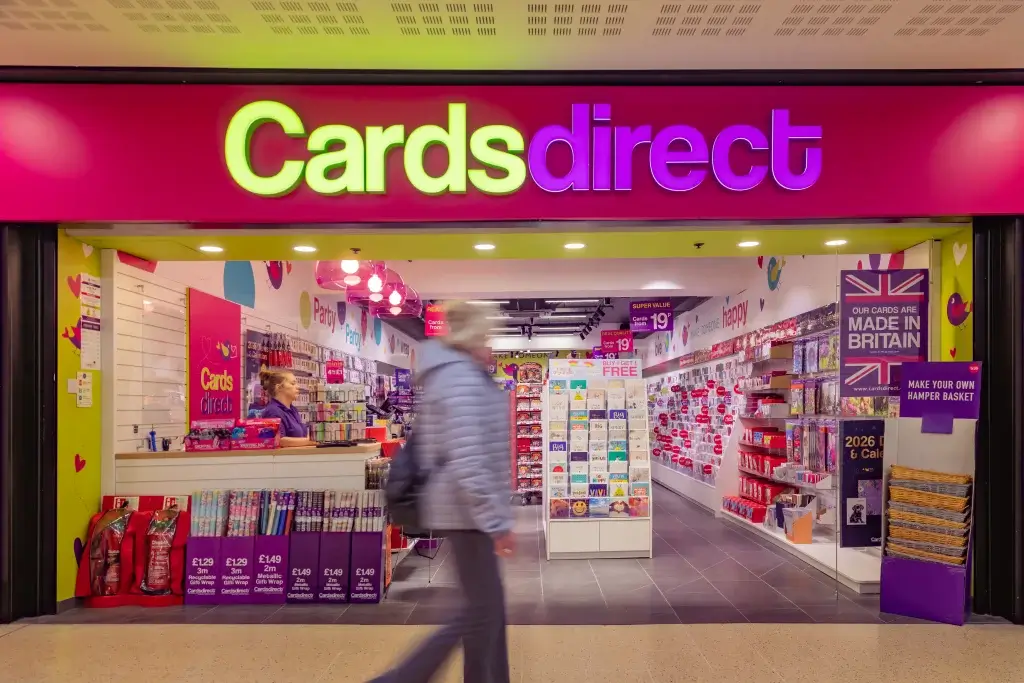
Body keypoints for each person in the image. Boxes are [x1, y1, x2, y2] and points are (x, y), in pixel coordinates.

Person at [371, 301, 514, 683]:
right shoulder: (460, 379)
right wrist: (496, 519)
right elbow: (468, 459)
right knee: (479, 610)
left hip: (465, 508)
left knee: (488, 610)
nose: (491, 345)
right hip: (465, 509)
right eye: (487, 336)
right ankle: (401, 679)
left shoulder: (459, 373)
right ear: (473, 337)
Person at [258, 369, 316, 448]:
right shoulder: (273, 411)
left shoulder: (293, 410)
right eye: (293, 384)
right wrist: (311, 441)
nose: (298, 387)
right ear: (279, 387)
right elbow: (279, 440)